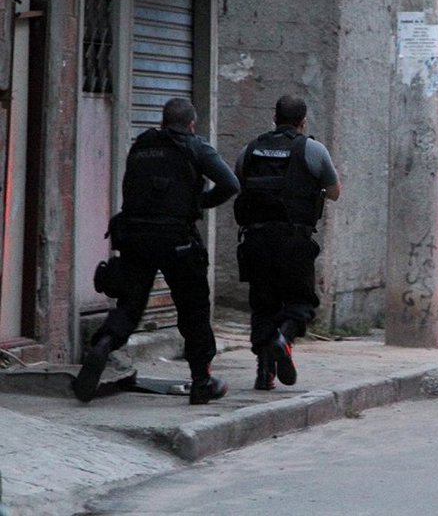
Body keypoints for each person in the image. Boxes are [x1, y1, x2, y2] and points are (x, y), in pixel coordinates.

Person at [72, 98, 240, 405]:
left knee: (130, 305)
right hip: (177, 240)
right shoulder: (196, 146)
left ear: (162, 121)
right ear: (191, 125)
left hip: (135, 236)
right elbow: (231, 184)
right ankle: (202, 381)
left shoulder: (141, 146)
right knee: (193, 310)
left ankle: (104, 343)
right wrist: (198, 203)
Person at [234, 95, 340, 391]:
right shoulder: (312, 149)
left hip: (256, 240)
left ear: (274, 118)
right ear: (303, 122)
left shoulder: (250, 149)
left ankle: (264, 373)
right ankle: (283, 337)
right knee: (300, 302)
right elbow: (334, 192)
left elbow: (238, 182)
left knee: (263, 305)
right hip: (294, 240)